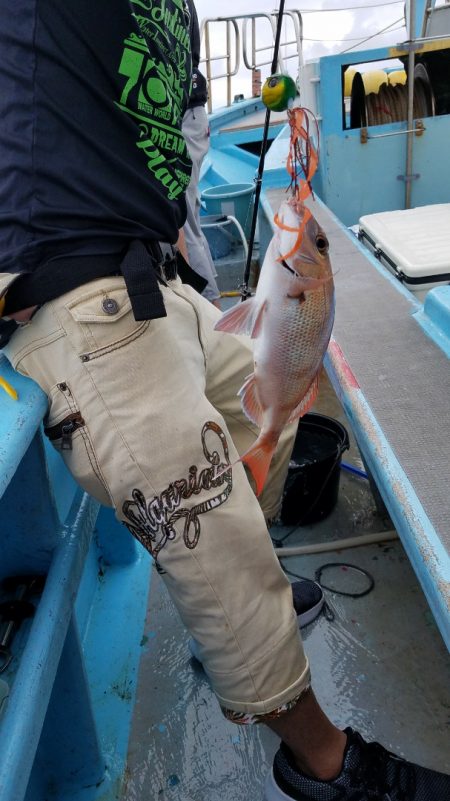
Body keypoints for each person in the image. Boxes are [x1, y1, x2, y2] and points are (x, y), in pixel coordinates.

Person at [0, 3, 448, 800]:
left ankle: (244, 619)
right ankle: (327, 762)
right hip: (72, 289)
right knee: (217, 541)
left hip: (154, 280)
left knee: (261, 425)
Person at [181, 0, 222, 307]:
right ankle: (212, 307)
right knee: (189, 215)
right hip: (190, 115)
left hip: (183, 115)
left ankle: (209, 308)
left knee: (181, 218)